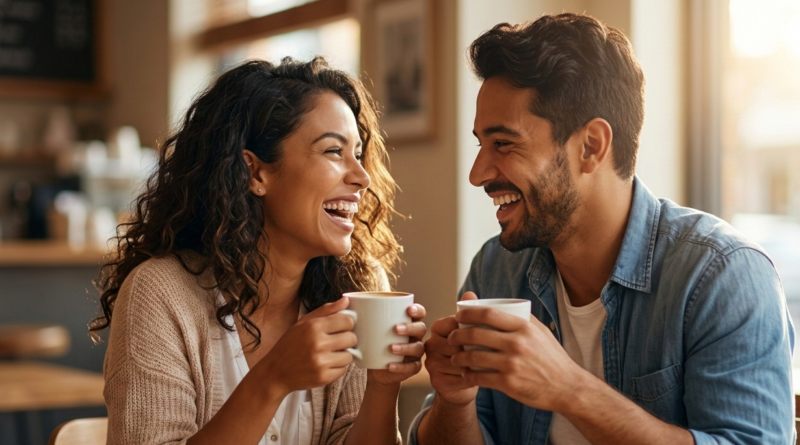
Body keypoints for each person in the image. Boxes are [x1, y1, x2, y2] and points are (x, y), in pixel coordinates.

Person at [410, 13, 795, 445]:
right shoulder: (496, 269)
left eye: (503, 144)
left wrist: (569, 388)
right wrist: (455, 401)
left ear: (591, 146)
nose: (477, 174)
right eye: (481, 144)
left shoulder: (723, 276)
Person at [90, 57, 427, 445]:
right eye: (334, 151)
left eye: (358, 153)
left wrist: (382, 386)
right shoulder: (159, 294)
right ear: (255, 172)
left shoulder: (357, 287)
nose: (362, 177)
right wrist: (273, 378)